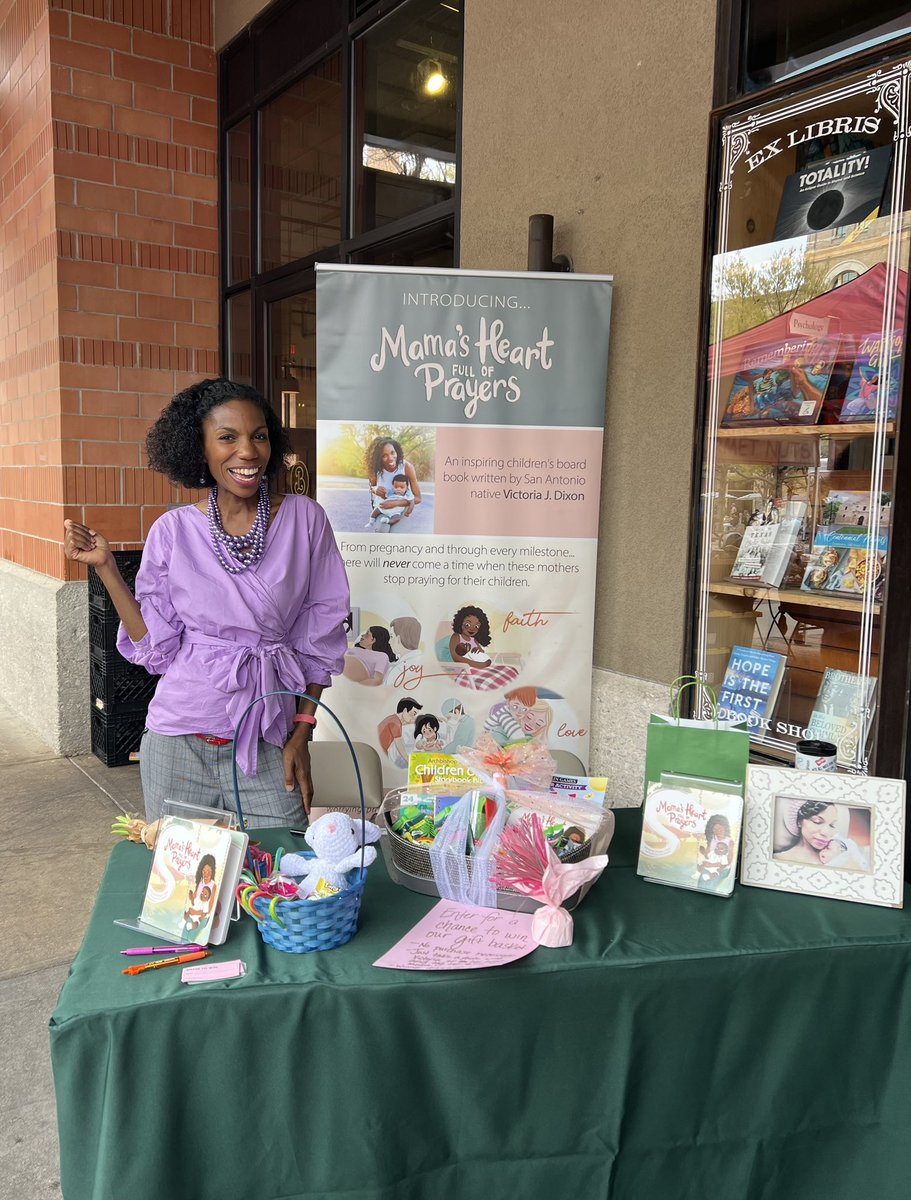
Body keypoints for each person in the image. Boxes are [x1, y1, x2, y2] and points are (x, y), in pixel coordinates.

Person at [63, 378, 349, 828]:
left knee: (279, 875)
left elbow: (323, 639)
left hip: (268, 736)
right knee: (185, 890)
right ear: (201, 449)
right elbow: (156, 648)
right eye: (227, 437)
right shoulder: (173, 530)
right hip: (179, 739)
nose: (248, 452)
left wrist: (302, 733)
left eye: (258, 435)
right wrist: (106, 568)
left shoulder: (306, 520)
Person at [366, 437, 421, 522]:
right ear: (378, 458)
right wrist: (375, 489)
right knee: (382, 529)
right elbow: (371, 487)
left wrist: (396, 503)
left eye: (392, 453)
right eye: (384, 456)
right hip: (381, 509)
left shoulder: (406, 467)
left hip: (400, 511)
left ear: (397, 451)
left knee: (395, 532)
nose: (390, 458)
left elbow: (418, 498)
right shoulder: (376, 469)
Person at [774, 800, 841, 864]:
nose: (826, 832)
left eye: (832, 825)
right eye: (817, 822)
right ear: (799, 822)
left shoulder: (838, 854)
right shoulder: (779, 858)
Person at [695, 815, 733, 888]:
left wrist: (712, 865)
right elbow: (707, 855)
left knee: (710, 885)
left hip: (722, 868)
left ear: (725, 828)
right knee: (701, 883)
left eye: (720, 829)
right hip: (709, 866)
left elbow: (728, 862)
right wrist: (703, 852)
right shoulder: (712, 839)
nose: (717, 831)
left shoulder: (729, 842)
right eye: (715, 829)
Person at [183, 855, 217, 933]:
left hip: (203, 911)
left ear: (212, 872)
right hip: (197, 905)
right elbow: (195, 897)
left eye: (208, 871)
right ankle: (184, 922)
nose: (206, 874)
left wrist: (199, 912)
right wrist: (191, 896)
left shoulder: (213, 885)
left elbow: (210, 907)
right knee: (187, 912)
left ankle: (192, 925)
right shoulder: (201, 882)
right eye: (204, 871)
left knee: (196, 919)